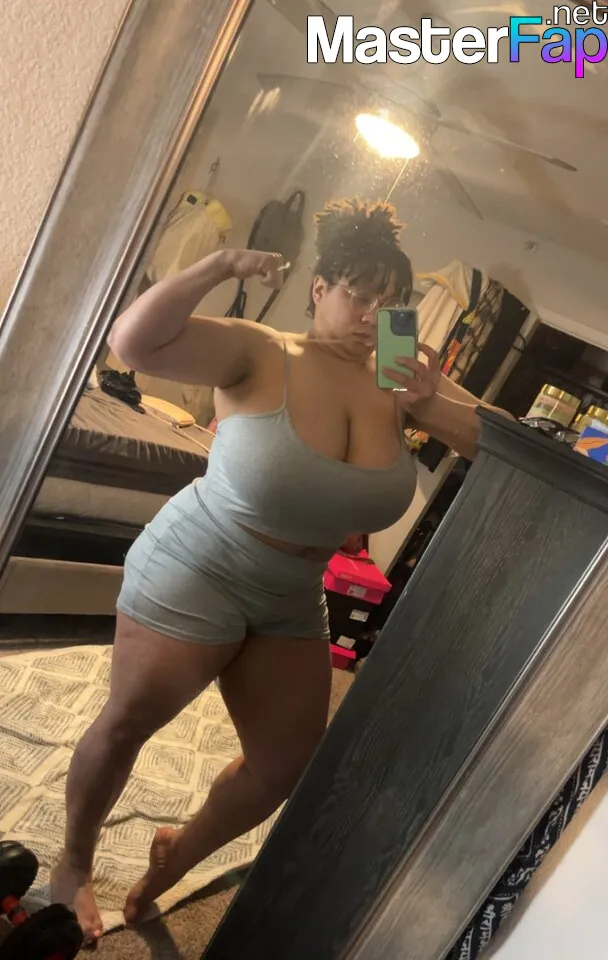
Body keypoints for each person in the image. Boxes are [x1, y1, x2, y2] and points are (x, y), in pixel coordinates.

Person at [51, 197, 511, 943]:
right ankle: (74, 862)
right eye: (359, 295)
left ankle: (176, 853)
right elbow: (132, 343)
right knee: (131, 719)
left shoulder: (397, 376)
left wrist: (430, 404)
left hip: (294, 591)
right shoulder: (264, 351)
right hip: (202, 559)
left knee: (282, 763)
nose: (373, 315)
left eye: (391, 302)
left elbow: (499, 447)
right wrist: (218, 266)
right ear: (318, 289)